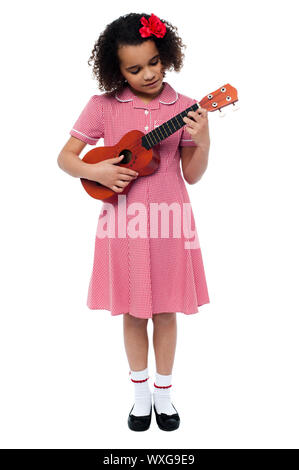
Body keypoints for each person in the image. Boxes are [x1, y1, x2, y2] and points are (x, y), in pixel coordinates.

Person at [57, 12, 210, 432]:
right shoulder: (102, 107)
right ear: (117, 69)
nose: (148, 74)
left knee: (165, 311)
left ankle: (164, 394)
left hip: (169, 223)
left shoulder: (185, 108)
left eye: (155, 62)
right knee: (133, 310)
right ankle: (140, 395)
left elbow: (192, 175)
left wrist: (205, 138)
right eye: (135, 68)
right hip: (123, 224)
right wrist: (98, 171)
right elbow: (66, 158)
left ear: (167, 56)